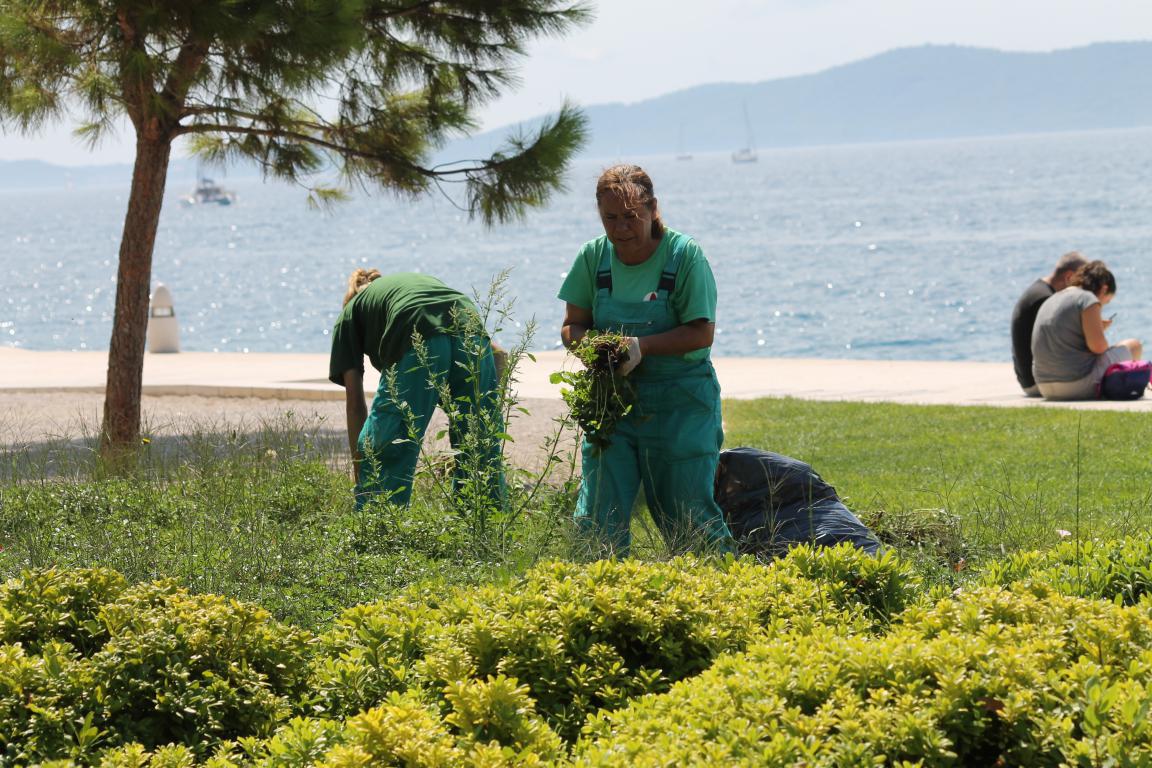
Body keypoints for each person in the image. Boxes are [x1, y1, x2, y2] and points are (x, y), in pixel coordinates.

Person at [558, 164, 734, 557]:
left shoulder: (684, 255)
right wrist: (595, 348)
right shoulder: (593, 257)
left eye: (631, 216)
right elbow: (572, 325)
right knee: (598, 517)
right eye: (610, 218)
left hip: (681, 404)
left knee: (689, 516)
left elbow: (701, 332)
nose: (621, 228)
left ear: (653, 208)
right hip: (612, 403)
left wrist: (642, 347)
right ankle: (598, 586)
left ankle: (720, 584)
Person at [329, 268, 504, 508]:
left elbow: (355, 405)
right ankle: (486, 523)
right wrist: (489, 406)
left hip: (415, 328)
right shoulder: (400, 289)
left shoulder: (349, 314)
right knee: (479, 442)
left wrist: (361, 469)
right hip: (470, 326)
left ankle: (378, 521)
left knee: (389, 441)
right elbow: (499, 355)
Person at [1031, 260, 1143, 401]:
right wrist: (1099, 332)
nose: (1102, 306)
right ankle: (1126, 388)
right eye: (1106, 302)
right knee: (1134, 345)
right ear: (1104, 289)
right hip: (1075, 384)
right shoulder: (1087, 299)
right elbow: (1098, 347)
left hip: (1044, 386)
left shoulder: (1052, 299)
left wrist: (1094, 327)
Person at [1010, 251, 1087, 396]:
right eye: (1082, 282)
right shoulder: (1045, 300)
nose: (1083, 288)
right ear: (1069, 277)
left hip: (1031, 380)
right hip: (1040, 382)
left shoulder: (1039, 291)